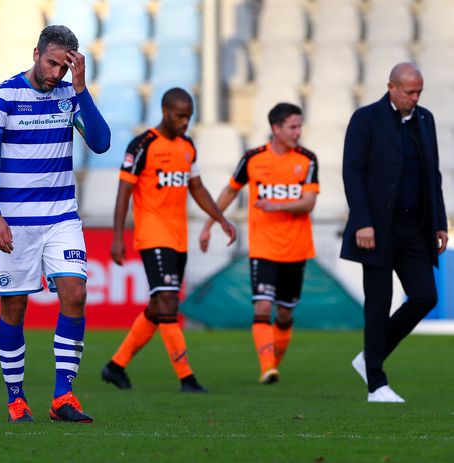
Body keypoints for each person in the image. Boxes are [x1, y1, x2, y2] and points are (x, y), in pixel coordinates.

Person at [0, 25, 110, 423]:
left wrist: (81, 88)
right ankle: (16, 398)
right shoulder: (4, 97)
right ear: (36, 54)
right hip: (14, 222)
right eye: (51, 63)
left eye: (65, 67)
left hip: (60, 217)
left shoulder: (70, 96)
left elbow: (100, 143)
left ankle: (63, 396)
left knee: (75, 292)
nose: (56, 73)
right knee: (14, 307)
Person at [101, 88, 236, 393]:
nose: (185, 122)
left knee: (157, 307)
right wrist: (118, 237)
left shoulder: (188, 147)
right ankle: (187, 378)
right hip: (153, 235)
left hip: (178, 238)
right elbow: (124, 192)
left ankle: (115, 366)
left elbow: (197, 188)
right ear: (165, 112)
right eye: (180, 116)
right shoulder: (143, 145)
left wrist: (220, 219)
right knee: (169, 302)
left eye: (189, 116)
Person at [342, 63, 448, 403]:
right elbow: (352, 173)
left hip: (414, 227)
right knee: (378, 303)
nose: (415, 98)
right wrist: (362, 221)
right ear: (391, 87)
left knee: (425, 296)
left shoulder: (425, 119)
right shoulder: (365, 119)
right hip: (375, 227)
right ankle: (377, 384)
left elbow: (433, 175)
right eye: (409, 92)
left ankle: (371, 355)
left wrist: (440, 222)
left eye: (419, 92)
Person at [199, 103, 319, 384]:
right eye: (293, 127)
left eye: (300, 126)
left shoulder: (307, 159)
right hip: (264, 249)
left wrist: (275, 206)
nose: (298, 132)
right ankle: (267, 367)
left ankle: (272, 362)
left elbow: (309, 202)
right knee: (262, 307)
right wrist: (209, 223)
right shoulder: (253, 159)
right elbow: (231, 190)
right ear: (276, 129)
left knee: (286, 313)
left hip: (296, 249)